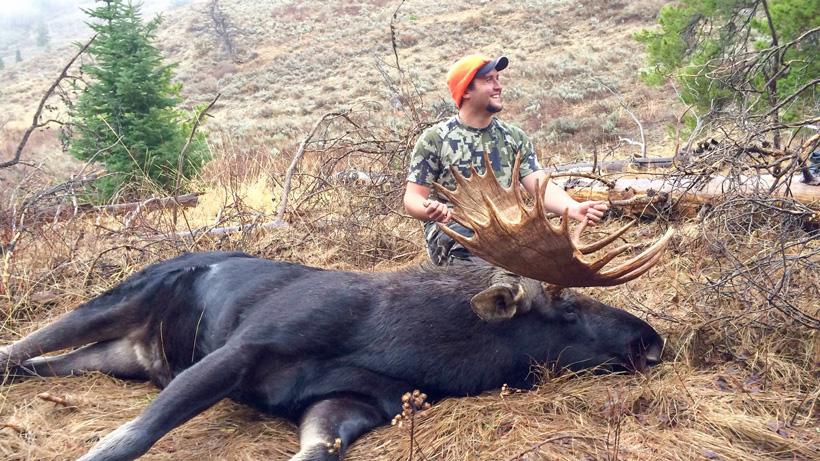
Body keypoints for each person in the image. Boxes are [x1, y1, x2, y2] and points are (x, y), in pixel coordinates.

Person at [403, 54, 608, 266]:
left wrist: (573, 208)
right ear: (465, 91)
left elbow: (539, 184)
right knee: (482, 268)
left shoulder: (513, 137)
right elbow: (412, 199)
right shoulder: (435, 139)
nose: (498, 86)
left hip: (507, 230)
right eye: (488, 80)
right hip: (456, 231)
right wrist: (430, 209)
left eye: (498, 79)